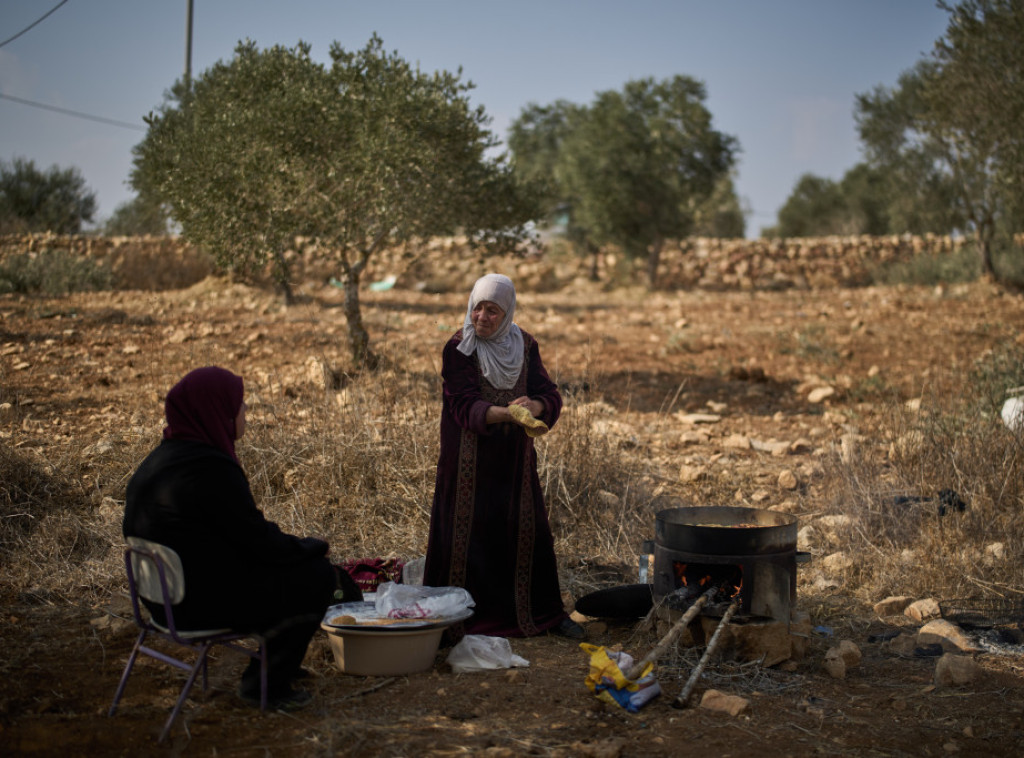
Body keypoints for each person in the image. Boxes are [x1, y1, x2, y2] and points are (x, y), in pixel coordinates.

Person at [123, 366, 349, 710]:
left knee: (293, 571)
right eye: (239, 405)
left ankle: (277, 663)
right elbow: (260, 542)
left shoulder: (160, 460)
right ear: (218, 410)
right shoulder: (210, 470)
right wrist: (312, 549)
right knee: (316, 577)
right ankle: (266, 684)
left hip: (160, 601)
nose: (245, 412)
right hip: (196, 607)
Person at [423, 274, 585, 640]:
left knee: (527, 531)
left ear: (507, 312)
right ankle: (459, 620)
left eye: (492, 310)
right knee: (468, 536)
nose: (481, 317)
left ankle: (541, 614)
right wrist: (508, 414)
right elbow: (462, 405)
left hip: (514, 463)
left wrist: (536, 406)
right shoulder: (459, 347)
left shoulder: (524, 345)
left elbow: (549, 393)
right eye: (477, 308)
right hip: (467, 461)